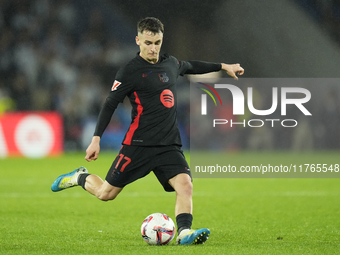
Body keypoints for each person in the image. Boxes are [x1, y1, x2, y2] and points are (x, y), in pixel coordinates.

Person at [51, 17, 244, 245]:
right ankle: (79, 176)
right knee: (106, 193)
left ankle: (184, 233)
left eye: (157, 43)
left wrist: (223, 66)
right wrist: (96, 139)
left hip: (168, 145)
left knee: (185, 185)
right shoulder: (129, 72)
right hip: (138, 145)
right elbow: (110, 104)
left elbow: (191, 65)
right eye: (148, 42)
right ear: (138, 40)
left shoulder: (170, 63)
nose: (153, 48)